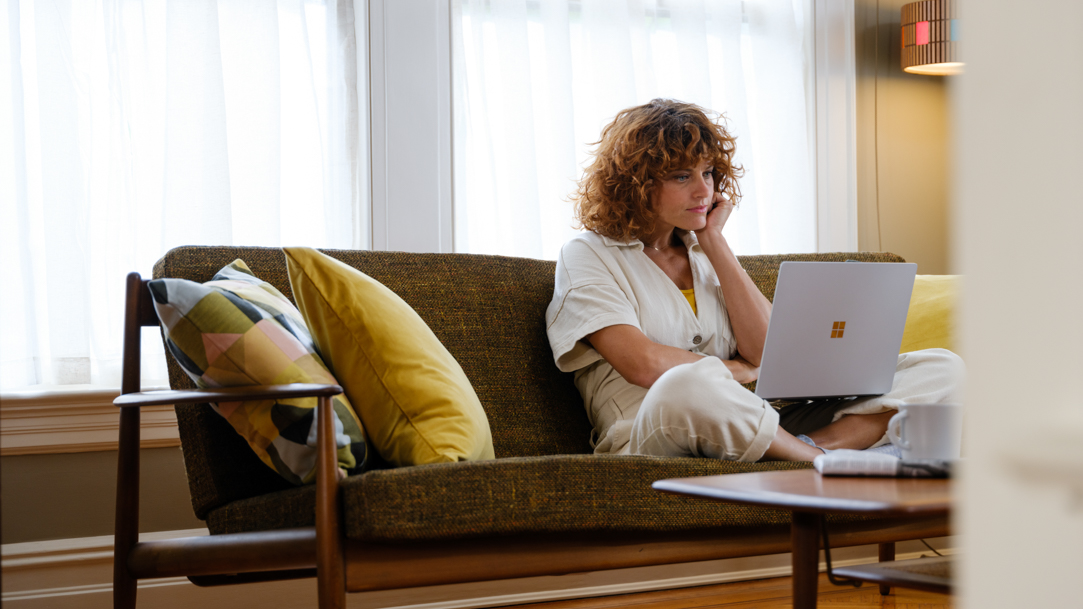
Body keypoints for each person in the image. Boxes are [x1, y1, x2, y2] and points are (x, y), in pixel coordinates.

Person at [545, 99, 961, 462]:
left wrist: (713, 242)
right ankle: (818, 460)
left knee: (942, 367)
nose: (703, 191)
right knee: (690, 382)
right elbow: (643, 364)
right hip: (652, 428)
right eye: (681, 176)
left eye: (708, 173)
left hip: (754, 418)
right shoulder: (587, 255)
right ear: (635, 183)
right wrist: (736, 372)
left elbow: (766, 352)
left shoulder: (703, 252)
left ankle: (815, 447)